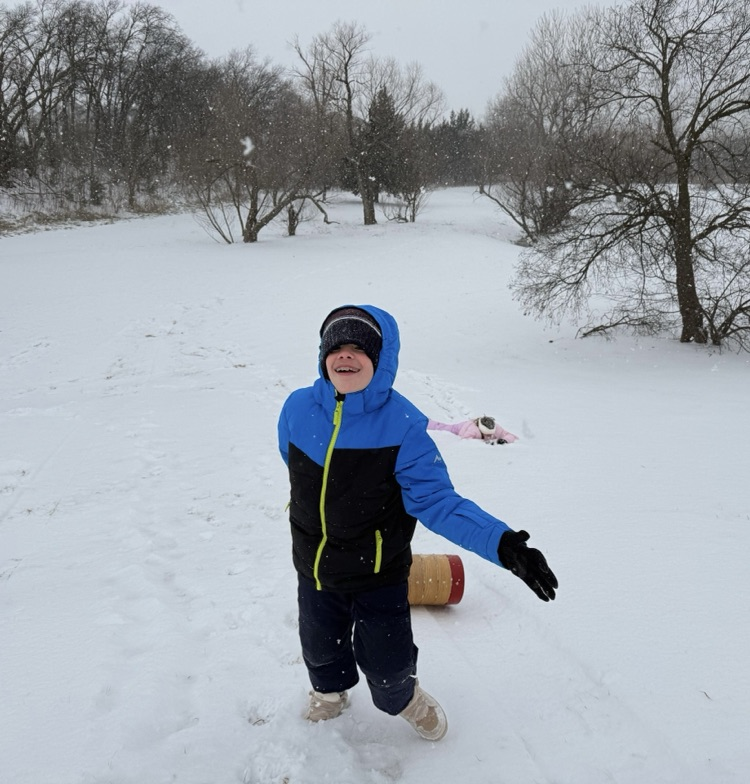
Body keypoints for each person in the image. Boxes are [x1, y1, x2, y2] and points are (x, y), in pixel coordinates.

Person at [277, 305, 557, 742]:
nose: (346, 356)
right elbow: (290, 461)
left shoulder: (403, 425)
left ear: (380, 359)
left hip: (378, 574)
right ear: (323, 356)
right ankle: (330, 695)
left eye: (359, 348)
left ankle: (405, 698)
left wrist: (502, 544)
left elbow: (439, 502)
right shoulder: (296, 409)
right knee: (319, 649)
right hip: (314, 569)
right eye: (338, 347)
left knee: (388, 666)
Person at [427, 416, 518, 445]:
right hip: (460, 428)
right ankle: (427, 422)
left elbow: (511, 435)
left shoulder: (496, 429)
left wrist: (505, 440)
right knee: (442, 427)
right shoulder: (473, 430)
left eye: (491, 434)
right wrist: (483, 443)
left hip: (470, 426)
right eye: (487, 434)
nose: (490, 436)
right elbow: (464, 439)